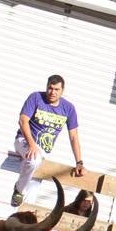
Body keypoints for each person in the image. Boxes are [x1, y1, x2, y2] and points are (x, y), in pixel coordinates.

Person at [12, 74, 84, 207]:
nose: (52, 92)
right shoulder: (36, 97)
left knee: (33, 189)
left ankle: (24, 220)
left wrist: (79, 162)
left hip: (44, 151)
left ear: (62, 91)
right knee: (33, 159)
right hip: (24, 141)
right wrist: (32, 144)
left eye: (57, 89)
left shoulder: (68, 108)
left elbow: (74, 136)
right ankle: (18, 190)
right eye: (50, 88)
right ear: (46, 87)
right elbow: (23, 121)